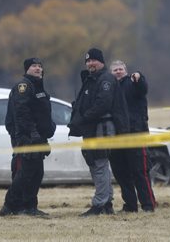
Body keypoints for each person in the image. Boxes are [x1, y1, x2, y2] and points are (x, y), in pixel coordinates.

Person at [68, 48, 129, 216]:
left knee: (99, 163)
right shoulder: (92, 79)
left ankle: (100, 204)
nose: (90, 64)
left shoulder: (106, 79)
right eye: (87, 61)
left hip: (101, 128)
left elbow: (103, 104)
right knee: (96, 163)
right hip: (92, 128)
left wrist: (83, 117)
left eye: (93, 60)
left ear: (101, 62)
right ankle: (107, 203)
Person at [0, 57, 56, 216]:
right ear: (27, 70)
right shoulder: (23, 86)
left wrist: (49, 128)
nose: (38, 69)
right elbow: (22, 114)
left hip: (38, 138)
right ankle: (10, 206)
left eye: (39, 66)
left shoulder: (39, 87)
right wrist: (33, 134)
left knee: (36, 174)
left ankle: (30, 206)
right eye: (34, 66)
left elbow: (42, 112)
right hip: (27, 138)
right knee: (25, 174)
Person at [109, 60, 156, 212]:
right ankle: (130, 205)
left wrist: (139, 77)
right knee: (122, 174)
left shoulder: (132, 83)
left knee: (140, 172)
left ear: (126, 71)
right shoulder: (109, 88)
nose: (118, 71)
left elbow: (143, 87)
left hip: (136, 133)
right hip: (116, 136)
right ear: (111, 73)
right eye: (115, 70)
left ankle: (148, 205)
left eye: (120, 69)